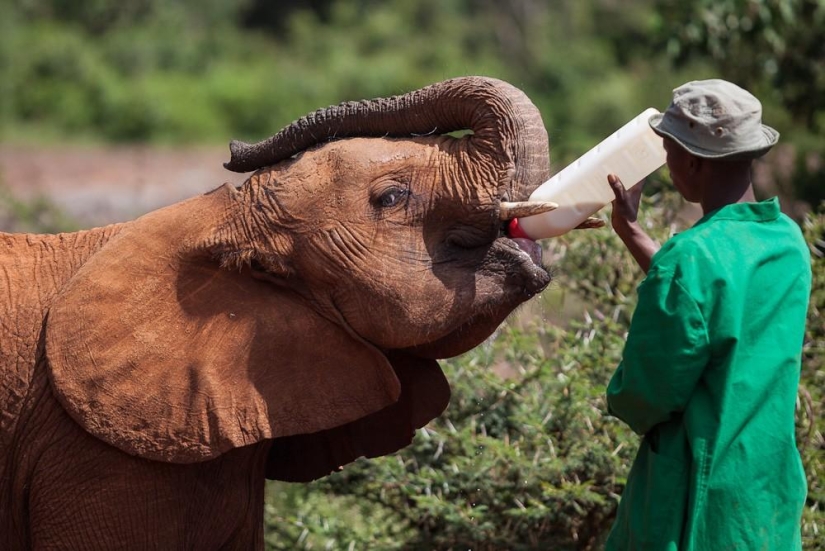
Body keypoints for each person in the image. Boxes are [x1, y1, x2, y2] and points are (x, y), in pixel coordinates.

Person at [604, 79, 811, 550]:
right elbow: (718, 295)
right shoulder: (787, 241)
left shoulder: (691, 258)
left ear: (693, 161)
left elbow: (643, 395)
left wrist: (618, 395)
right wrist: (632, 232)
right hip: (765, 501)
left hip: (695, 509)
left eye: (668, 152)